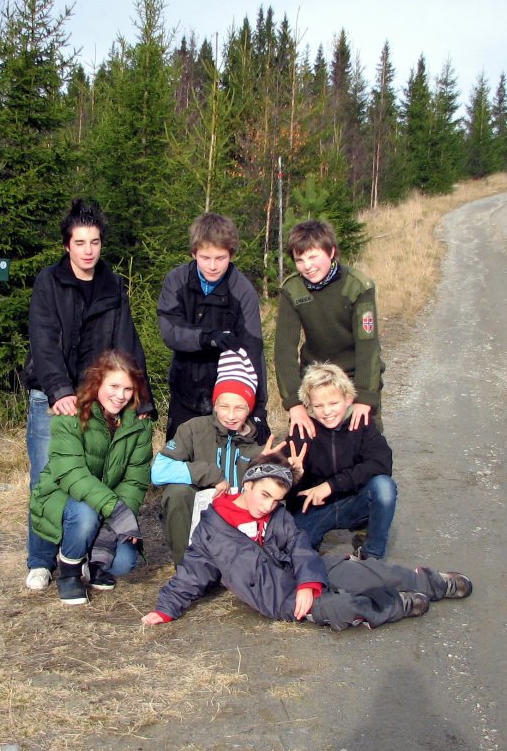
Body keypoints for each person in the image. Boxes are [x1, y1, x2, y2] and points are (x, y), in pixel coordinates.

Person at [140, 452, 471, 630]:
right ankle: (396, 604)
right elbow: (192, 573)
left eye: (277, 500)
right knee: (345, 608)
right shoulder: (212, 530)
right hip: (282, 599)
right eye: (265, 495)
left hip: (308, 575)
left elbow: (299, 545)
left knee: (368, 573)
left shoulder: (276, 515)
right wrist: (165, 609)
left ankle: (433, 582)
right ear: (248, 486)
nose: (268, 505)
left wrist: (309, 580)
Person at [22, 200, 154, 591]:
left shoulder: (113, 286)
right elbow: (43, 340)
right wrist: (59, 391)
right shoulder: (49, 282)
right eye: (80, 243)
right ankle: (41, 560)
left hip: (100, 399)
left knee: (96, 475)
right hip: (51, 394)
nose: (88, 250)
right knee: (46, 477)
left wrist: (141, 400)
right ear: (67, 245)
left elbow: (126, 342)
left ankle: (87, 556)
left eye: (94, 242)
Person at [28, 350, 154, 606]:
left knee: (124, 562)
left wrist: (116, 517)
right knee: (85, 512)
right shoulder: (70, 415)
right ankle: (69, 570)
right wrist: (115, 509)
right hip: (64, 497)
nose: (120, 396)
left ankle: (93, 558)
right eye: (114, 386)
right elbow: (73, 474)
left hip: (107, 505)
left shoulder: (140, 425)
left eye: (128, 389)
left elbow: (135, 480)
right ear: (98, 382)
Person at [157, 212, 267, 442]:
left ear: (231, 254)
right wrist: (209, 337)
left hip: (227, 394)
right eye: (205, 258)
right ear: (193, 253)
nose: (213, 266)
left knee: (225, 466)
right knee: (179, 458)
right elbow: (170, 330)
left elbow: (253, 350)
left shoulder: (243, 291)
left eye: (221, 258)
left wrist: (259, 409)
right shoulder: (177, 281)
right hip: (184, 388)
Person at [150, 348, 265, 564]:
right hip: (198, 515)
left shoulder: (257, 442)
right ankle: (186, 567)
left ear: (249, 409)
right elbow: (158, 471)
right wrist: (210, 473)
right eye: (224, 406)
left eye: (240, 408)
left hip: (235, 519)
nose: (230, 416)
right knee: (176, 493)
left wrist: (283, 468)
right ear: (215, 404)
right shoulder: (193, 429)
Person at [275, 219, 383, 440]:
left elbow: (368, 347)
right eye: (300, 260)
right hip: (313, 379)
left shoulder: (357, 286)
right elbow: (284, 350)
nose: (308, 266)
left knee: (366, 446)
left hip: (353, 376)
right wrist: (294, 404)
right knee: (305, 446)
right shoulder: (292, 289)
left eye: (313, 257)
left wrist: (365, 398)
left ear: (331, 251)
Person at [286, 362, 396, 560]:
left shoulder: (361, 423)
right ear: (309, 405)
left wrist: (331, 485)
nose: (327, 412)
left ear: (348, 399)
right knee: (297, 557)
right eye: (318, 406)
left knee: (384, 487)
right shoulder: (302, 430)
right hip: (313, 508)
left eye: (333, 403)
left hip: (352, 502)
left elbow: (382, 463)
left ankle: (372, 554)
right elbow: (279, 475)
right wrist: (292, 475)